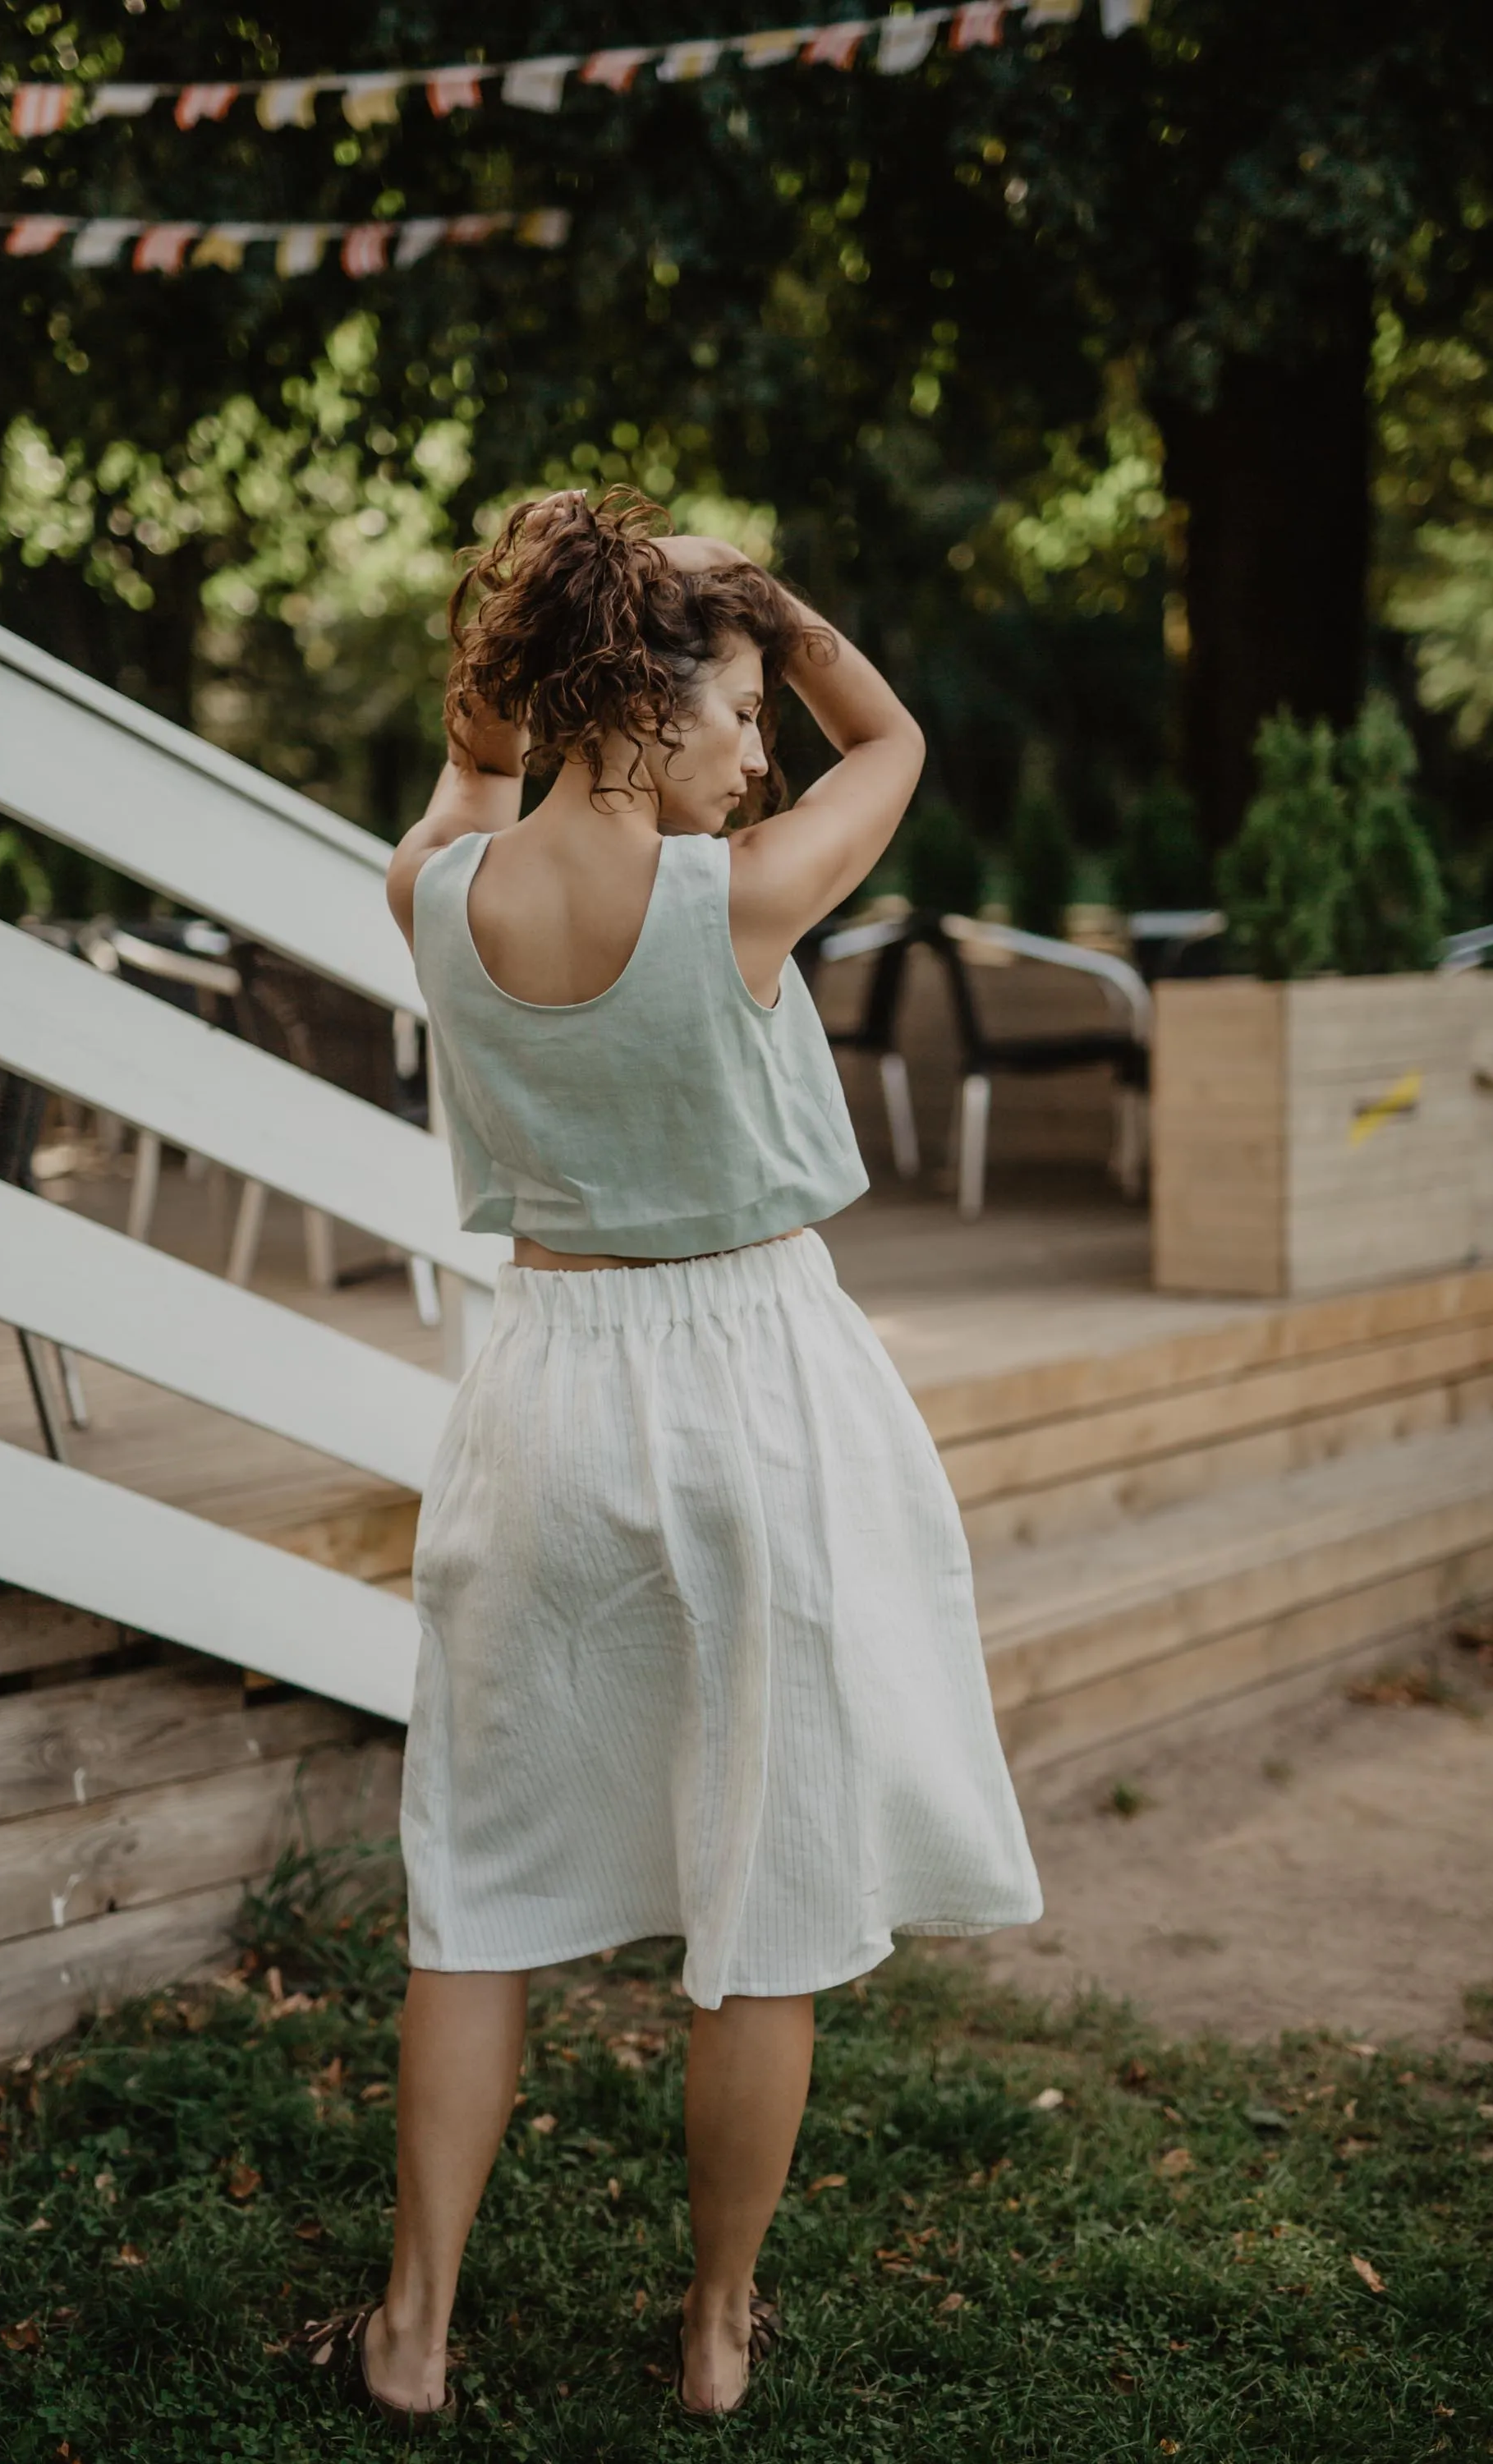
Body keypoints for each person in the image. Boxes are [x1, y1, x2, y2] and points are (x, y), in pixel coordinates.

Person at [359, 487, 1041, 2427]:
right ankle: (718, 2325)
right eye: (737, 715)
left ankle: (415, 2327)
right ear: (647, 706)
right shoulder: (735, 901)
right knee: (765, 1879)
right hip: (747, 1382)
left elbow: (476, 765)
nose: (764, 757)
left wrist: (570, 636)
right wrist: (755, 599)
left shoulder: (430, 894)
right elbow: (895, 740)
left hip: (540, 1389)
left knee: (473, 1880)